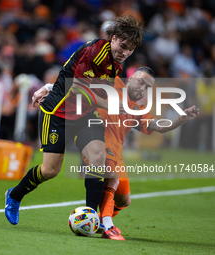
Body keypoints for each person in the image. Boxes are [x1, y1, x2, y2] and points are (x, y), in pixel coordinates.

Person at [5, 14, 143, 225]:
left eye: (130, 49)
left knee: (98, 157)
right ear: (113, 38)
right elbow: (78, 89)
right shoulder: (95, 52)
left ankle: (91, 216)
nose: (125, 52)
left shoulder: (116, 64)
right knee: (50, 170)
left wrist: (51, 86)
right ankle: (14, 195)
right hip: (58, 113)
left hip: (85, 114)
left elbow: (78, 80)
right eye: (122, 45)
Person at [33, 66, 199, 240]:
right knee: (112, 176)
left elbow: (157, 125)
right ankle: (107, 225)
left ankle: (95, 220)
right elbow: (79, 84)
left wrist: (181, 119)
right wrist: (48, 87)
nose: (142, 88)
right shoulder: (113, 82)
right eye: (140, 82)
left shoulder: (137, 109)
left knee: (124, 200)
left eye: (147, 87)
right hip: (94, 141)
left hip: (117, 154)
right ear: (131, 77)